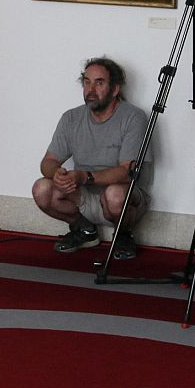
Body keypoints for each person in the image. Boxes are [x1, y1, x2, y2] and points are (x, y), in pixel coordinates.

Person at [33, 56, 154, 261]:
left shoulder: (133, 117)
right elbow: (47, 162)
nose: (91, 90)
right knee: (41, 189)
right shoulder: (71, 117)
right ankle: (84, 230)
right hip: (82, 194)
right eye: (87, 82)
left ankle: (123, 234)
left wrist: (84, 177)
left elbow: (127, 172)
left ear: (115, 89)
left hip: (122, 195)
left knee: (115, 195)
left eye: (99, 83)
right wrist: (58, 173)